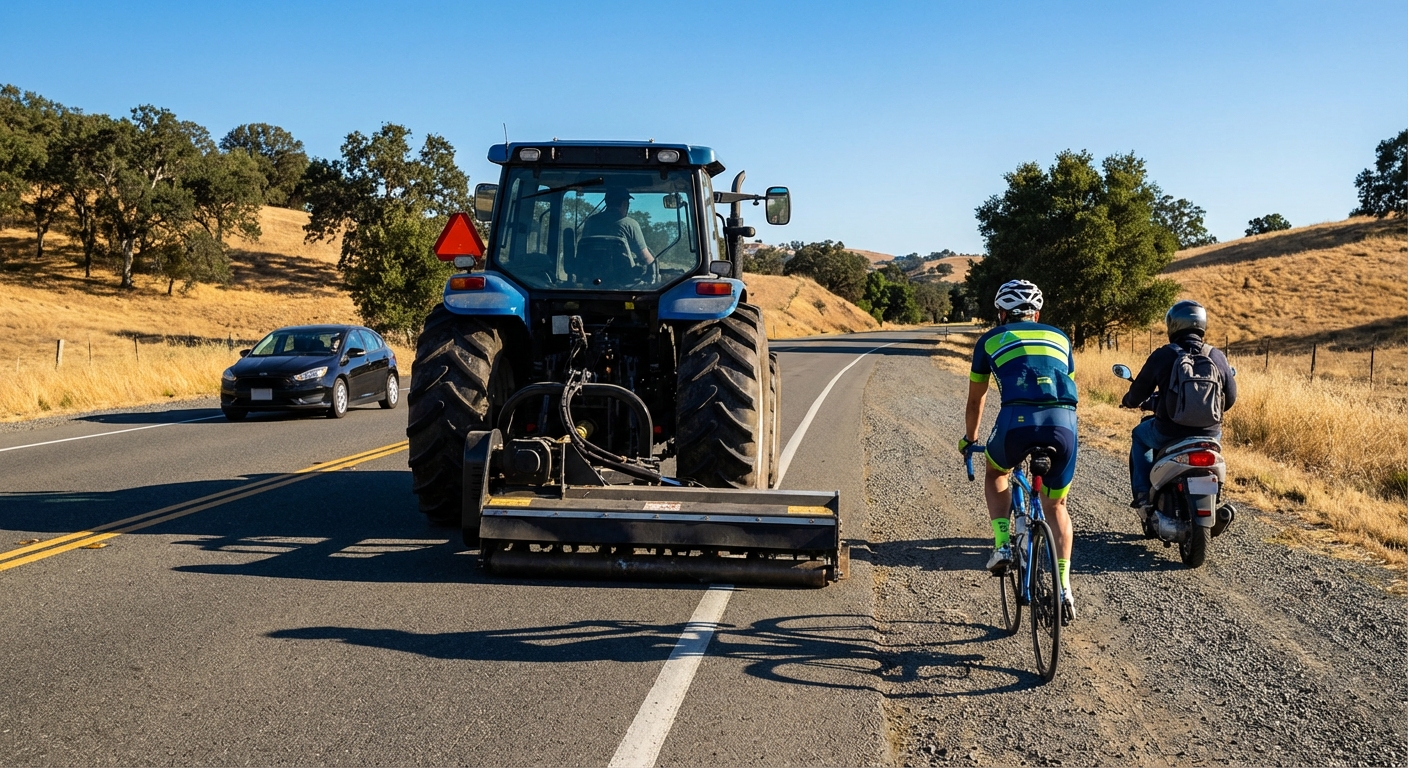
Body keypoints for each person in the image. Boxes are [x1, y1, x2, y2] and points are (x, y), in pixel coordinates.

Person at [961, 279, 1079, 619]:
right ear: (1037, 313)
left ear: (1001, 314)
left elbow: (975, 400)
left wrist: (970, 440)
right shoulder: (1060, 337)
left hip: (1016, 421)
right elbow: (1066, 383)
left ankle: (1001, 544)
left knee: (997, 471)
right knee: (1056, 505)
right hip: (1063, 424)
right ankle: (1065, 588)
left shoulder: (989, 341)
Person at [1121, 299, 1238, 510]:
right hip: (1210, 434)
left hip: (1168, 431)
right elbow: (1229, 399)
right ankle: (1214, 496)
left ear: (1173, 325)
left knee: (1139, 435)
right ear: (1202, 324)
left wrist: (1129, 401)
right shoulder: (1217, 356)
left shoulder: (1164, 354)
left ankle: (1142, 494)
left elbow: (1138, 393)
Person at [580, 187, 655, 269]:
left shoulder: (590, 222)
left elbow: (584, 252)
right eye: (628, 203)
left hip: (592, 276)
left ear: (606, 201)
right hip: (624, 279)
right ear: (624, 203)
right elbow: (645, 257)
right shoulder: (630, 224)